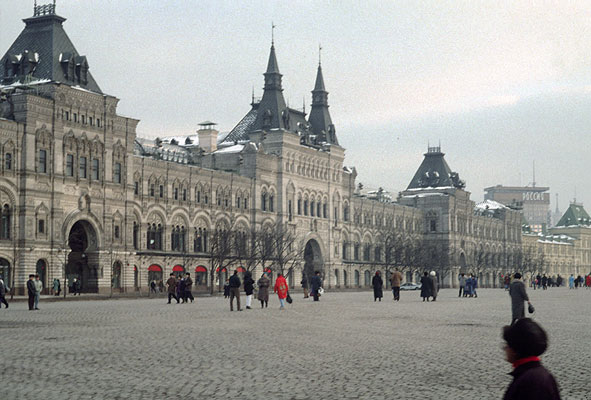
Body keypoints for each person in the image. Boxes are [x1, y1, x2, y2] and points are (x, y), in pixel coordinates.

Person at [501, 318, 561, 400]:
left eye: (507, 344)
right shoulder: (534, 374)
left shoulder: (532, 381)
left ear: (515, 349)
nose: (504, 348)